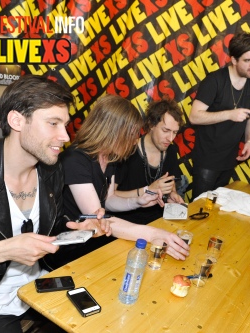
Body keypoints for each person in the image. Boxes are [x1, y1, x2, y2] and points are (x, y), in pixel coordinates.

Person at [0, 75, 113, 333]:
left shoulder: (50, 171)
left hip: (37, 286)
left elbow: (48, 235)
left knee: (105, 315)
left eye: (65, 125)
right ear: (16, 121)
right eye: (53, 123)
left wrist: (76, 232)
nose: (65, 136)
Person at [60, 94, 190, 262]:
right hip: (70, 250)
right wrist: (154, 234)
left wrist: (138, 201)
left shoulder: (110, 156)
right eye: (131, 134)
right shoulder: (75, 160)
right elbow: (98, 219)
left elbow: (109, 199)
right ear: (114, 131)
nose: (135, 140)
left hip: (95, 242)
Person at [189, 31, 250, 199]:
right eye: (247, 60)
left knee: (218, 209)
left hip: (229, 159)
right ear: (234, 60)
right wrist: (229, 114)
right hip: (207, 159)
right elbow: (194, 116)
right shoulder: (215, 80)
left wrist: (249, 141)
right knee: (199, 209)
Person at [114, 98, 185, 224]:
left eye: (175, 132)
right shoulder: (127, 151)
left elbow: (170, 183)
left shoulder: (171, 151)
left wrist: (171, 195)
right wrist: (148, 190)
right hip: (126, 222)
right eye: (166, 130)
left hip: (159, 221)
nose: (171, 138)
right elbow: (110, 197)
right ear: (151, 124)